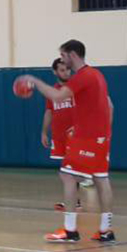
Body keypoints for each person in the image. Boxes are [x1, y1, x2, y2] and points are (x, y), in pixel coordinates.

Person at [16, 39, 115, 243]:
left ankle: (70, 231)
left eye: (63, 55)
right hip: (100, 137)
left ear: (72, 55)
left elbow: (57, 96)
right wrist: (104, 132)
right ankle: (106, 230)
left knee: (67, 175)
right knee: (101, 179)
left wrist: (34, 81)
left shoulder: (83, 76)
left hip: (86, 137)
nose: (62, 60)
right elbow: (110, 106)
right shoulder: (97, 75)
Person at [41, 58, 84, 211]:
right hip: (59, 135)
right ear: (55, 72)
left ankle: (74, 200)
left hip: (77, 134)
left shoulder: (76, 87)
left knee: (70, 168)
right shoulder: (53, 91)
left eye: (68, 69)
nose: (66, 72)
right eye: (62, 70)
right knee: (67, 167)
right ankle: (75, 199)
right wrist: (44, 132)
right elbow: (49, 111)